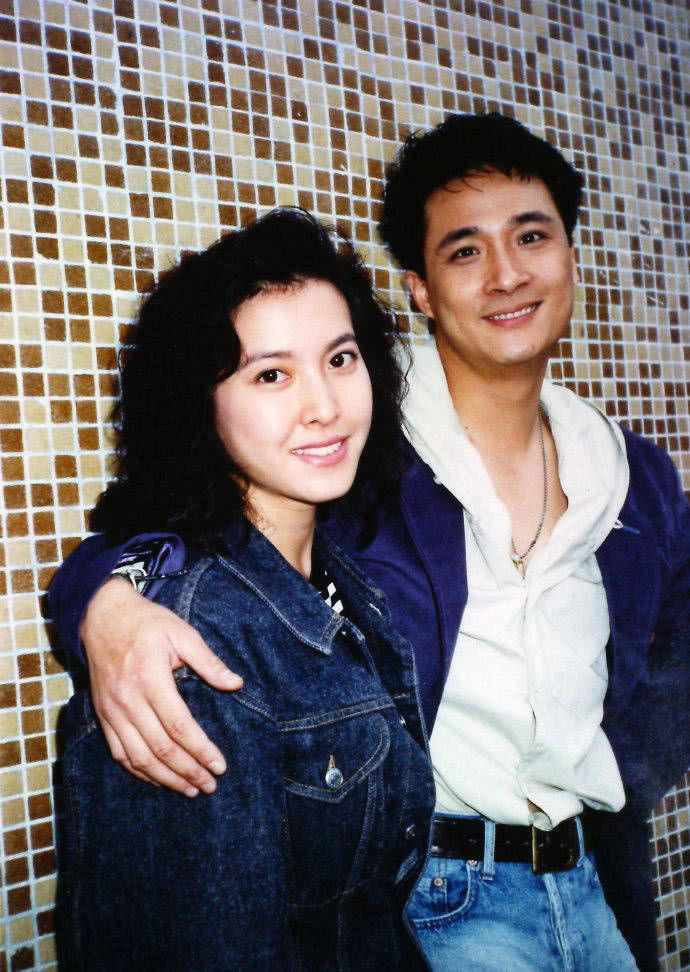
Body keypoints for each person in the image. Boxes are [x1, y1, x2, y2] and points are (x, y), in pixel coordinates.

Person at [50, 115, 690, 971]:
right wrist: (106, 603)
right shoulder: (376, 460)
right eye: (465, 250)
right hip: (443, 897)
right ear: (421, 288)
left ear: (573, 255)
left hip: (590, 877)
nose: (506, 274)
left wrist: (621, 778)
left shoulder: (633, 476)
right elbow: (170, 528)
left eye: (532, 236)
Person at [56, 208, 437, 970]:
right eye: (271, 375)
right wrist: (103, 600)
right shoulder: (191, 651)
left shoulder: (340, 571)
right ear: (200, 403)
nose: (324, 405)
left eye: (341, 359)